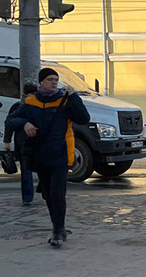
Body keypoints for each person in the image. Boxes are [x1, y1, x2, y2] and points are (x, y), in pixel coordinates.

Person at [6, 68, 91, 247]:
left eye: (56, 79)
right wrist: (25, 123)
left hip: (59, 155)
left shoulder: (64, 101)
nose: (54, 82)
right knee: (47, 195)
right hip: (40, 155)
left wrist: (74, 96)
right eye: (50, 79)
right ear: (41, 82)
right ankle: (57, 226)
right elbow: (11, 120)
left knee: (57, 193)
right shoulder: (31, 102)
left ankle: (58, 230)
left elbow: (83, 118)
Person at [3, 82, 39, 206]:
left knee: (28, 170)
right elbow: (9, 122)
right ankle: (28, 198)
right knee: (28, 170)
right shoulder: (22, 106)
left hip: (25, 143)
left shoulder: (19, 106)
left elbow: (9, 123)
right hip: (26, 143)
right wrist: (7, 141)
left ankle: (28, 198)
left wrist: (7, 141)